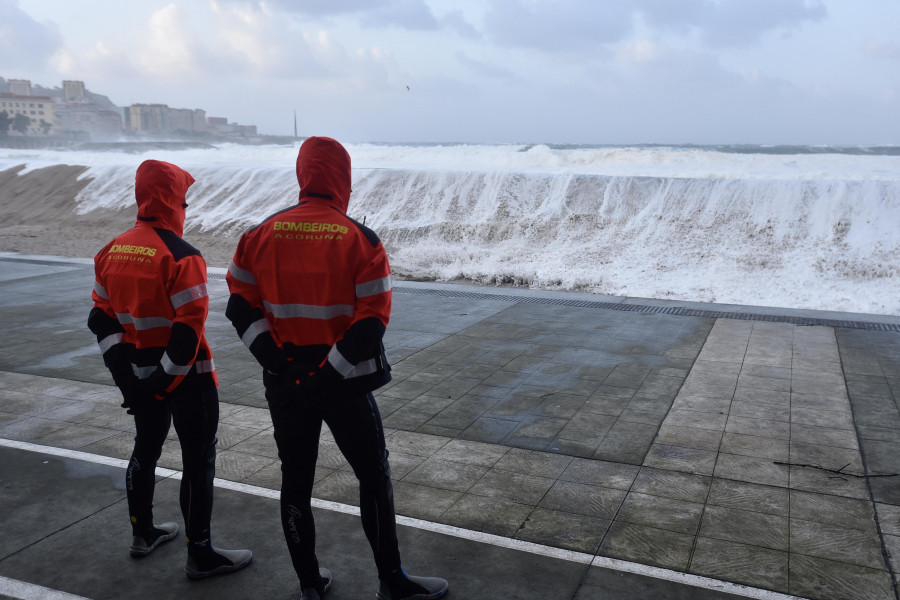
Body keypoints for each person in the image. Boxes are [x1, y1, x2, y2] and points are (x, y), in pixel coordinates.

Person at [225, 137, 449, 600]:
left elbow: (239, 309)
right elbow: (371, 324)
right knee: (373, 476)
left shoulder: (258, 235)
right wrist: (324, 378)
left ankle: (309, 584)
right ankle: (392, 582)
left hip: (285, 384)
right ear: (343, 178)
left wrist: (283, 366)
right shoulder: (360, 238)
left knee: (295, 479)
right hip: (343, 385)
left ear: (302, 174)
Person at [88, 159, 252, 580]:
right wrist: (164, 382)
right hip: (187, 378)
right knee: (198, 461)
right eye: (184, 198)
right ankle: (200, 554)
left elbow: (101, 320)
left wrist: (130, 382)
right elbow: (188, 330)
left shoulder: (112, 250)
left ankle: (142, 533)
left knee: (146, 448)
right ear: (173, 199)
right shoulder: (183, 256)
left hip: (139, 374)